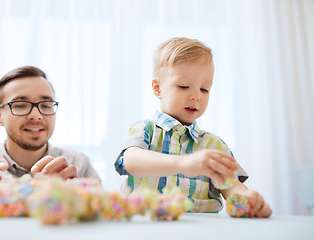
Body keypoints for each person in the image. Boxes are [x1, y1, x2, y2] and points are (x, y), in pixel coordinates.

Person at [114, 37, 272, 218]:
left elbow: (232, 188)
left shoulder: (214, 145)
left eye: (204, 89)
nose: (196, 96)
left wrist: (248, 200)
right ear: (157, 89)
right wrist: (183, 163)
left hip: (203, 230)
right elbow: (131, 161)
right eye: (184, 86)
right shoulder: (145, 130)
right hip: (147, 226)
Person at [0, 66, 100, 191]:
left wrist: (77, 197)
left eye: (45, 105)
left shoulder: (79, 165)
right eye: (20, 105)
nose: (36, 115)